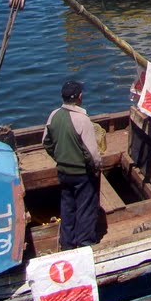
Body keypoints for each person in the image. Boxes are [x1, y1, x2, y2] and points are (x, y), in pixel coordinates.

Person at [43, 80, 102, 251]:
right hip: (82, 174)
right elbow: (92, 153)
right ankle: (85, 243)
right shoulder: (83, 120)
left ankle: (67, 244)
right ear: (80, 97)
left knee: (67, 206)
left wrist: (58, 156)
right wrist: (96, 167)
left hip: (63, 171)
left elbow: (46, 142)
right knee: (86, 208)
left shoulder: (53, 115)